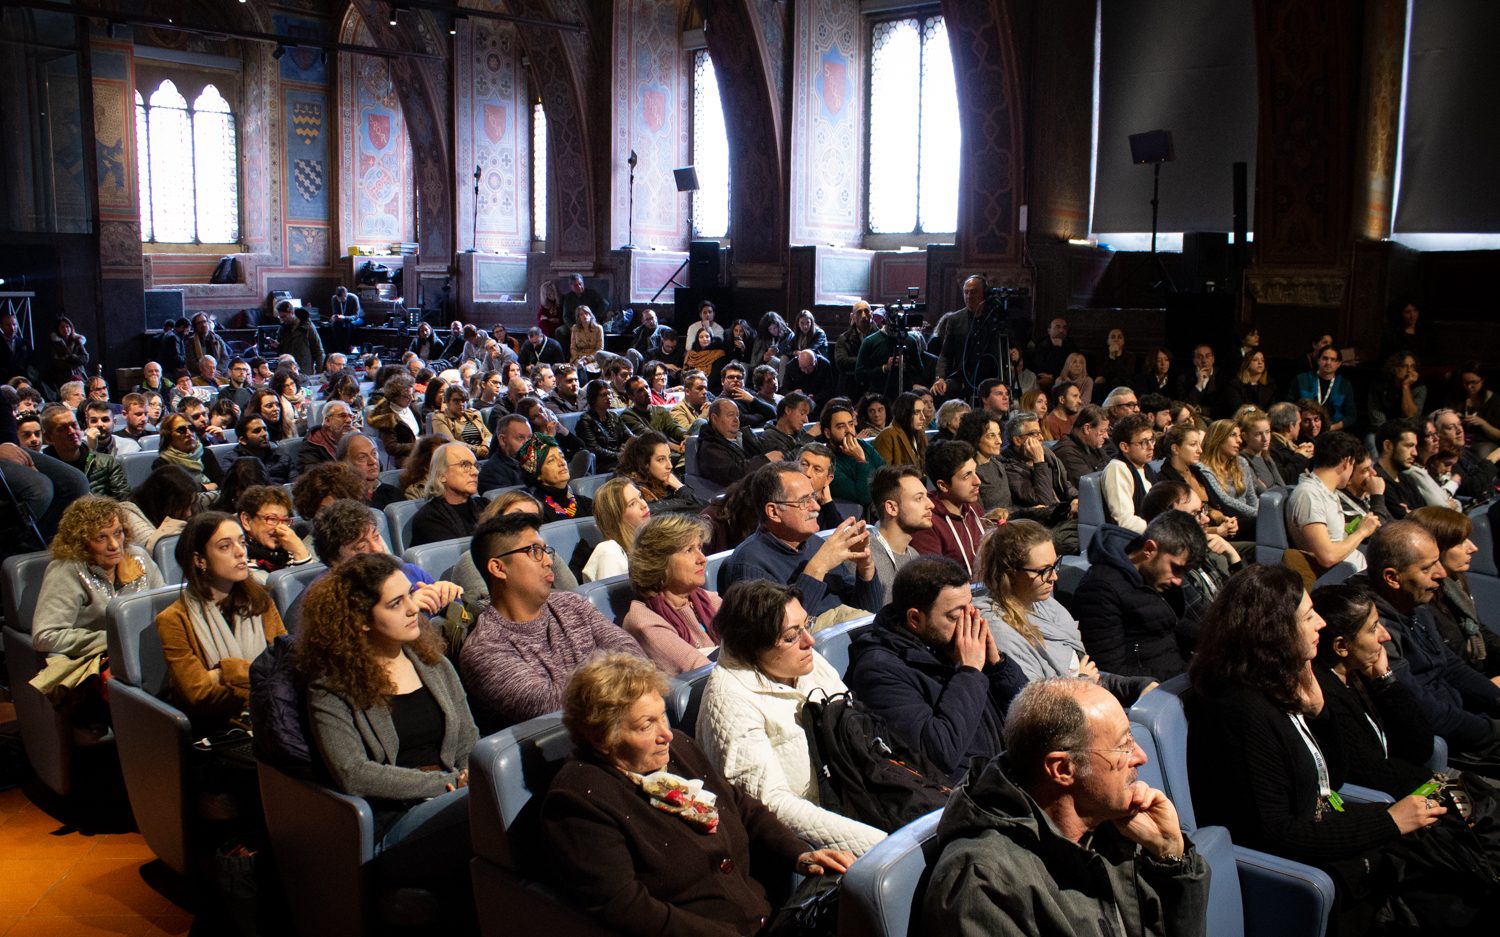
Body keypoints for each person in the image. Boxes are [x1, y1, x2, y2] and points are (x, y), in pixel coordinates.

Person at [1186, 564, 1482, 935]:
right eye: (1309, 617)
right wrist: (1389, 821)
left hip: (1327, 835)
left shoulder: (1278, 686)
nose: (1320, 625)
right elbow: (1276, 832)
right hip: (1299, 871)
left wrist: (1320, 714)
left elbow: (1333, 780)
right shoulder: (1240, 710)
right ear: (1273, 630)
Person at [541, 653, 851, 936]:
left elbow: (742, 807)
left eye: (663, 716)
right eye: (646, 725)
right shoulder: (579, 798)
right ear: (600, 737)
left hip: (766, 919)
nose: (666, 733)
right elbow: (625, 908)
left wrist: (798, 852)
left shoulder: (678, 748)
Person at [921, 676, 1206, 935]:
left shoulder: (1118, 829)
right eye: (1123, 746)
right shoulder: (983, 883)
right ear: (1063, 769)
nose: (1141, 757)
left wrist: (1171, 857)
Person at [296, 552, 477, 925]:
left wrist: (468, 776)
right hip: (393, 818)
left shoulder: (433, 662)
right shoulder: (331, 686)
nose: (414, 608)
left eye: (410, 595)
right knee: (485, 812)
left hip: (455, 795)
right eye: (396, 603)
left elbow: (467, 735)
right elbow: (354, 772)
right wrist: (448, 785)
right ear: (361, 620)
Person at [696, 579, 887, 853]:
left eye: (806, 625)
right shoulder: (728, 701)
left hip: (857, 799)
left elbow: (858, 731)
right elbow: (772, 805)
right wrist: (880, 844)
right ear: (752, 644)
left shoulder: (806, 661)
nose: (810, 641)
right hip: (806, 845)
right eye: (790, 637)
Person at [845, 557, 1028, 781]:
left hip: (999, 776)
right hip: (962, 800)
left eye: (970, 608)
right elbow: (938, 754)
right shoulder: (879, 671)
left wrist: (997, 666)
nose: (968, 622)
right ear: (915, 619)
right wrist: (969, 672)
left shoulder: (946, 644)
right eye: (954, 616)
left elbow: (1029, 716)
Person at [459, 513, 643, 729]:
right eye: (534, 551)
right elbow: (553, 705)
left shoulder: (572, 604)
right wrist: (617, 672)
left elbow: (635, 658)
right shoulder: (484, 648)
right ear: (498, 568)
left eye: (546, 551)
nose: (548, 561)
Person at [1363, 521, 1500, 771]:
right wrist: (1492, 731)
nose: (1442, 573)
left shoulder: (1416, 603)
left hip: (1462, 719)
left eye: (1438, 561)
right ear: (1392, 578)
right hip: (1443, 742)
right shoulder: (1376, 630)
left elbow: (1451, 666)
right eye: (1427, 567)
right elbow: (1424, 710)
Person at [32, 497, 165, 727]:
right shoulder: (66, 570)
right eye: (101, 537)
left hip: (146, 652)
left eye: (118, 533)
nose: (115, 545)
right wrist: (111, 640)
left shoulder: (139, 558)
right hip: (96, 665)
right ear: (82, 542)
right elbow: (45, 635)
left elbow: (166, 611)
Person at [156, 511, 285, 732]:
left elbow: (284, 667)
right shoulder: (173, 619)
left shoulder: (260, 600)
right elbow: (198, 695)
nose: (240, 552)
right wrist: (261, 680)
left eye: (242, 542)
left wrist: (226, 672)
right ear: (200, 560)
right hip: (219, 730)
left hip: (274, 717)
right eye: (225, 546)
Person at [717, 462, 879, 628]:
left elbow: (869, 615)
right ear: (773, 512)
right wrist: (817, 569)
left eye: (814, 497)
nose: (816, 507)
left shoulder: (815, 543)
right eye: (804, 501)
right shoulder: (749, 562)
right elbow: (773, 634)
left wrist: (865, 570)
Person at [1075, 510, 1207, 680]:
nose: (1179, 581)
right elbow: (1110, 670)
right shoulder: (1100, 589)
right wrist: (1188, 673)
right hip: (1153, 694)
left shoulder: (1155, 578)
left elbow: (1170, 627)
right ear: (1149, 549)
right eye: (1176, 569)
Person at [618, 514, 722, 674]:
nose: (702, 559)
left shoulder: (710, 600)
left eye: (699, 548)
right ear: (659, 563)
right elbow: (704, 672)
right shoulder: (644, 623)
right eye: (689, 550)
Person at [1286, 430, 1380, 576]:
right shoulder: (1309, 494)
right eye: (1353, 465)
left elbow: (1333, 537)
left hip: (1355, 572)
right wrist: (1362, 532)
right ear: (1347, 462)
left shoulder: (1328, 492)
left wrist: (1354, 528)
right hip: (1343, 581)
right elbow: (1327, 556)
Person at [908, 440, 986, 577]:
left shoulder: (973, 507)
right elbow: (936, 578)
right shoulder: (927, 521)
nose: (977, 481)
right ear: (943, 485)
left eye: (975, 472)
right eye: (967, 475)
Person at [867, 465, 933, 607]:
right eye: (919, 498)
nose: (931, 505)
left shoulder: (913, 555)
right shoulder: (866, 556)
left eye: (927, 497)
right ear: (891, 508)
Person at [38, 403, 130, 500]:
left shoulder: (106, 462)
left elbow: (125, 500)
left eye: (74, 425)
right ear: (48, 437)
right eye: (63, 428)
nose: (72, 432)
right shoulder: (41, 469)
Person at [409, 443, 487, 548]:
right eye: (465, 465)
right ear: (442, 475)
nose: (475, 472)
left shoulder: (485, 505)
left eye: (475, 466)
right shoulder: (429, 519)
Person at [695, 397, 782, 489]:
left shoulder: (745, 436)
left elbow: (771, 448)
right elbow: (733, 474)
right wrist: (765, 460)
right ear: (715, 419)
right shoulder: (710, 446)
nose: (736, 419)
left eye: (737, 415)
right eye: (730, 415)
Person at [1196, 418, 1259, 538]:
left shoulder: (1241, 462)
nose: (1239, 440)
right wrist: (1259, 515)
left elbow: (1251, 497)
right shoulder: (1203, 468)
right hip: (1228, 521)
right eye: (1233, 435)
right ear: (1218, 438)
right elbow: (1225, 500)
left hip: (1249, 517)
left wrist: (1258, 513)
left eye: (1240, 436)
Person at [616, 431, 704, 515]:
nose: (670, 466)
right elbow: (700, 507)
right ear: (644, 463)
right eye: (661, 459)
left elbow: (704, 507)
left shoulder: (666, 482)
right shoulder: (631, 489)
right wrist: (681, 489)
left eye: (669, 458)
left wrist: (679, 486)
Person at [581, 477, 651, 583]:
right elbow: (615, 598)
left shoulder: (651, 543)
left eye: (640, 497)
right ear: (615, 518)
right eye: (632, 504)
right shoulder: (609, 552)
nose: (644, 505)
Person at [821, 397, 883, 508]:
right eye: (841, 426)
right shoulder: (826, 462)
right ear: (827, 433)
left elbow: (886, 473)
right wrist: (861, 460)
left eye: (850, 424)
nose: (849, 430)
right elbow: (864, 497)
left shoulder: (861, 444)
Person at [238, 484, 313, 575]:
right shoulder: (239, 558)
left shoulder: (289, 549)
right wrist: (300, 552)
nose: (280, 527)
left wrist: (299, 551)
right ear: (246, 520)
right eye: (272, 519)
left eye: (285, 520)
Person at [517, 433, 592, 523]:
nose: (562, 462)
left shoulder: (586, 503)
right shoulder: (536, 511)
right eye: (551, 460)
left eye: (562, 456)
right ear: (538, 475)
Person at [1290, 344, 1357, 431]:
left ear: (1339, 364)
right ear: (1318, 360)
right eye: (1325, 358)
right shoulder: (1301, 379)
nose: (1328, 362)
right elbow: (1289, 406)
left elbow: (1351, 416)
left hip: (1333, 430)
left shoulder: (1345, 385)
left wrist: (1332, 428)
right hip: (1304, 429)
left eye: (1333, 360)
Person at [154, 412, 223, 494]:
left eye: (191, 428)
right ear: (168, 437)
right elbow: (177, 492)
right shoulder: (162, 463)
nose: (189, 434)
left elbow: (222, 482)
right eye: (181, 430)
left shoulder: (206, 454)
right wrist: (204, 487)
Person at [1051, 403, 1110, 488]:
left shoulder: (1093, 445)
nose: (1106, 436)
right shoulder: (1067, 453)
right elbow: (1090, 486)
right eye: (1102, 431)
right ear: (1087, 428)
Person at [1367, 352, 1426, 435]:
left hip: (1408, 431)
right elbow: (1377, 418)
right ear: (1394, 369)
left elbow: (1411, 417)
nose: (1409, 370)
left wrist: (1406, 386)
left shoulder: (1419, 388)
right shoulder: (1379, 387)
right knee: (1371, 439)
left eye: (1412, 366)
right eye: (1404, 366)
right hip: (1382, 431)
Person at [368, 374, 421, 467]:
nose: (412, 399)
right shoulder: (387, 416)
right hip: (405, 457)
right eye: (406, 396)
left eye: (412, 394)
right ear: (394, 397)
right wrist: (417, 445)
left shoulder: (412, 407)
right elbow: (391, 447)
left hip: (420, 450)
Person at [430, 385, 492, 461]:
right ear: (447, 402)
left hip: (484, 455)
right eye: (456, 401)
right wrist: (477, 450)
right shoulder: (440, 417)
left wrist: (485, 446)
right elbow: (449, 442)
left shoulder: (474, 414)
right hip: (460, 458)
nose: (461, 404)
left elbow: (488, 435)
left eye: (463, 400)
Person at [871, 391, 927, 468]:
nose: (923, 417)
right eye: (917, 412)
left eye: (922, 411)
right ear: (905, 413)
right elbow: (883, 475)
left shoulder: (920, 433)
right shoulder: (887, 436)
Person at [272, 301, 325, 375]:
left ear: (292, 312)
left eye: (284, 316)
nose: (282, 320)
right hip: (287, 370)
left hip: (304, 370)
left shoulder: (307, 327)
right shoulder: (283, 328)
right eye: (280, 317)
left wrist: (319, 372)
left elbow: (319, 350)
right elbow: (282, 351)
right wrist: (277, 346)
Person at [758, 391, 815, 456]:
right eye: (802, 413)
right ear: (788, 410)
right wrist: (808, 437)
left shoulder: (801, 432)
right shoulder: (769, 436)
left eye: (807, 415)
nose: (806, 420)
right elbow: (787, 462)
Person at [46, 316, 89, 389]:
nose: (65, 329)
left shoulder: (77, 340)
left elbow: (85, 358)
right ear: (58, 329)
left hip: (79, 376)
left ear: (71, 327)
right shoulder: (54, 343)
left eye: (67, 326)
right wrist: (73, 363)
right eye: (62, 327)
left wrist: (71, 357)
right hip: (63, 379)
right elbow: (55, 361)